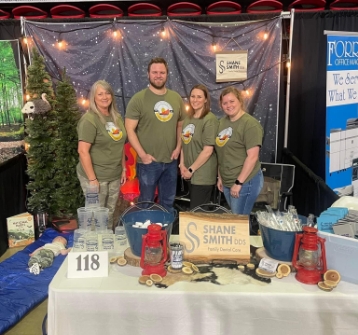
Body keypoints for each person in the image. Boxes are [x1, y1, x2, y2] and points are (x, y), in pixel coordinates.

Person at [125, 57, 185, 215]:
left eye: (162, 72)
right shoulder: (138, 99)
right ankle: (145, 237)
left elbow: (180, 125)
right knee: (146, 204)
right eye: (155, 72)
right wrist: (143, 155)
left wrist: (178, 147)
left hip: (171, 161)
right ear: (148, 74)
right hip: (148, 164)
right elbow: (129, 129)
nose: (158, 75)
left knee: (168, 203)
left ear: (167, 74)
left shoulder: (176, 98)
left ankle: (164, 236)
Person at [77, 80, 127, 228]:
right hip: (96, 176)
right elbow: (82, 150)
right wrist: (92, 180)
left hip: (114, 174)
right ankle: (96, 246)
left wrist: (123, 168)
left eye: (107, 93)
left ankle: (107, 244)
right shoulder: (89, 120)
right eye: (100, 94)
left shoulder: (116, 117)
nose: (104, 97)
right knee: (95, 217)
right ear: (93, 97)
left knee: (111, 213)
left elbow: (120, 143)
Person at [215, 86, 264, 215]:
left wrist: (238, 183)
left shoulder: (250, 124)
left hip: (245, 181)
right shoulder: (222, 122)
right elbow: (222, 152)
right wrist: (220, 177)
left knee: (239, 222)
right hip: (227, 180)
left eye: (232, 101)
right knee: (235, 220)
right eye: (225, 103)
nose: (228, 105)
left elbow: (252, 157)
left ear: (240, 101)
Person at [180, 84, 218, 209]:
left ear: (206, 99)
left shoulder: (209, 119)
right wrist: (182, 165)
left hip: (202, 175)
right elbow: (184, 143)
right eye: (193, 96)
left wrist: (191, 170)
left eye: (199, 97)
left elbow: (208, 150)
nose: (195, 100)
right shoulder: (188, 118)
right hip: (189, 173)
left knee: (197, 215)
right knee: (194, 212)